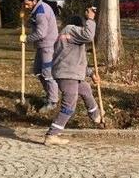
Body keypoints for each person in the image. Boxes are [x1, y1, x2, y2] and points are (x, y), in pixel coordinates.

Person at [44, 8, 102, 145]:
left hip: (68, 73)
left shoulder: (67, 37)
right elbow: (88, 35)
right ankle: (52, 135)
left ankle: (96, 116)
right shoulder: (70, 30)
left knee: (86, 89)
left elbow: (75, 62)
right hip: (67, 75)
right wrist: (91, 19)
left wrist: (91, 74)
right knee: (69, 104)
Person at [21, 0, 59, 113]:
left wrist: (27, 38)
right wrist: (25, 16)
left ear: (35, 1)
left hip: (48, 45)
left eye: (28, 4)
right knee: (38, 70)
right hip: (41, 46)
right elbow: (35, 24)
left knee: (47, 74)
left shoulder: (41, 12)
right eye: (25, 4)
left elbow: (41, 33)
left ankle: (53, 101)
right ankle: (49, 95)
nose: (26, 6)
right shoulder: (38, 8)